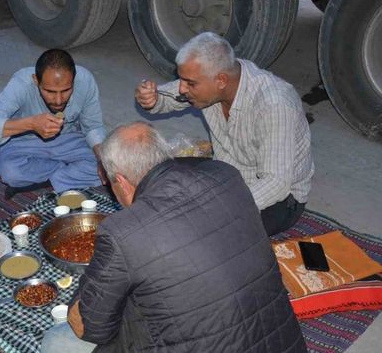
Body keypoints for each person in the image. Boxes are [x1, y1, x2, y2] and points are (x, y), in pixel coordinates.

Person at [42, 122, 307, 353]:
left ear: (121, 182)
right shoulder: (227, 175)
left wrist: (83, 298)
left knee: (57, 341)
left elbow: (92, 328)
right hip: (283, 344)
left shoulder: (124, 231)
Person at [135, 32, 314, 236]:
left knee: (200, 232)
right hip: (226, 175)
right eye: (181, 80)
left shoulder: (275, 105)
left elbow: (276, 184)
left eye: (190, 83)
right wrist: (152, 99)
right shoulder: (213, 78)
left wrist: (219, 205)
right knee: (154, 173)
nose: (182, 89)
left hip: (277, 201)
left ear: (221, 80)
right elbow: (165, 98)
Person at [0, 49, 106, 195]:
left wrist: (102, 160)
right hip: (24, 142)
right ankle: (67, 174)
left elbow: (93, 127)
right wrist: (31, 124)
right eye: (50, 91)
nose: (58, 100)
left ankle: (51, 179)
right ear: (36, 80)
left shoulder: (85, 80)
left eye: (66, 90)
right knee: (10, 173)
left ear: (74, 80)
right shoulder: (21, 83)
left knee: (112, 165)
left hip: (68, 139)